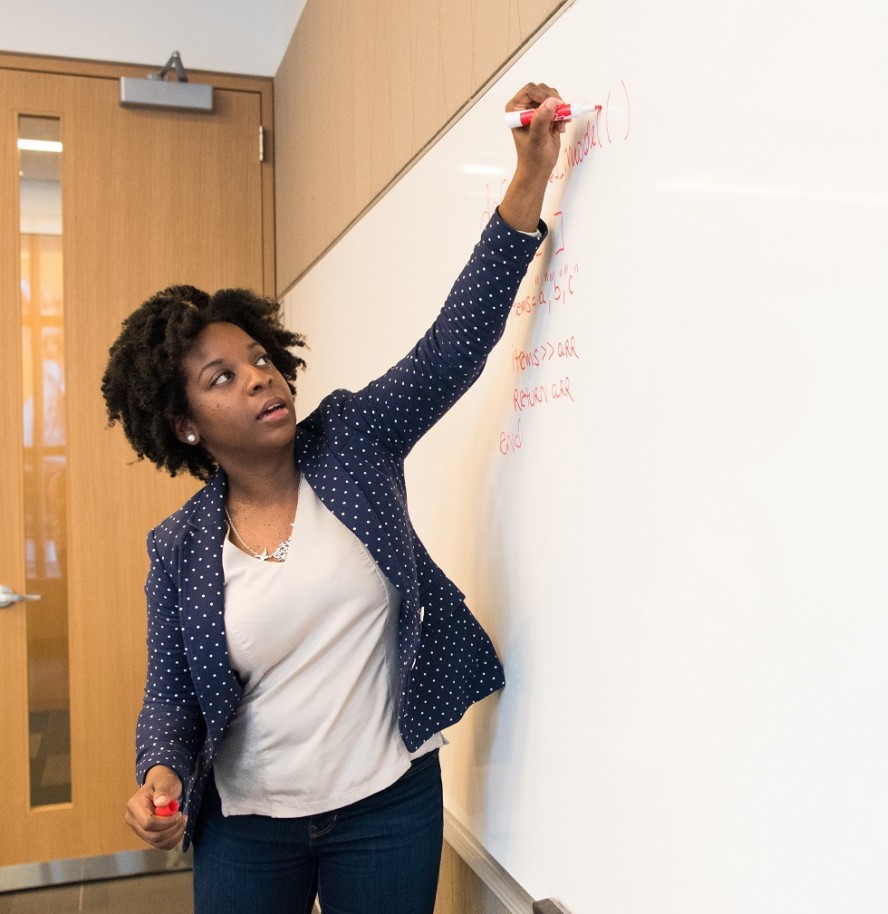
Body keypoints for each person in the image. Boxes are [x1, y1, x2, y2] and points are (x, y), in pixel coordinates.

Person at [101, 82, 567, 914]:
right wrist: (160, 771)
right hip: (247, 827)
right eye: (223, 378)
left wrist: (527, 182)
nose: (259, 379)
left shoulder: (352, 439)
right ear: (183, 426)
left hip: (388, 802)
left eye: (258, 358)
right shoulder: (176, 549)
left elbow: (451, 348)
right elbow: (170, 692)